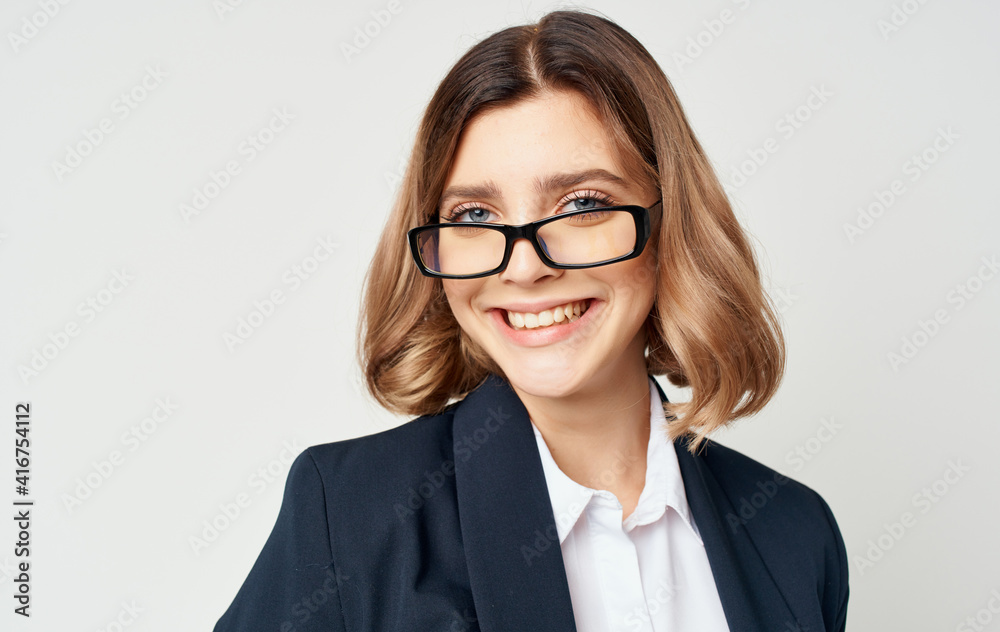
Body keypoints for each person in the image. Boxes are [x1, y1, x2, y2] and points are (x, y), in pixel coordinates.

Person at [213, 9, 848, 632]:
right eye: (473, 216)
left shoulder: (794, 534)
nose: (522, 268)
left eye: (582, 204)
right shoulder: (350, 516)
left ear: (670, 224)